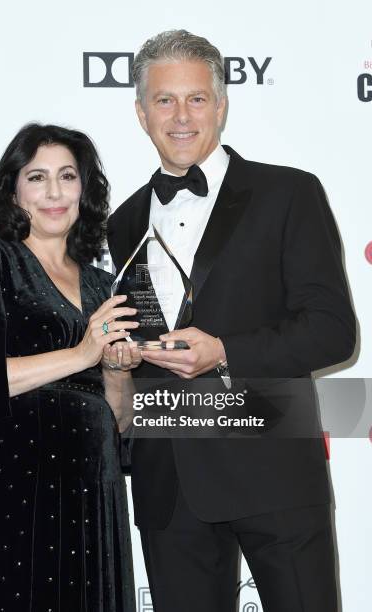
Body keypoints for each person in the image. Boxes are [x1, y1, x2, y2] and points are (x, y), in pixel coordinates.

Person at [107, 30, 356, 612]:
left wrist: (225, 351)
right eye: (164, 100)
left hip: (273, 470)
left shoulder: (289, 192)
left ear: (221, 104)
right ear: (141, 113)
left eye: (197, 98)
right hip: (168, 483)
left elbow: (332, 330)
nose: (182, 116)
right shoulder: (120, 223)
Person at [0, 123, 141, 612]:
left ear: (85, 190)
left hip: (90, 486)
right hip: (3, 483)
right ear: (13, 189)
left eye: (68, 176)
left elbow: (120, 420)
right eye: (37, 177)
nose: (55, 192)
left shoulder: (107, 288)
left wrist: (116, 369)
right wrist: (82, 353)